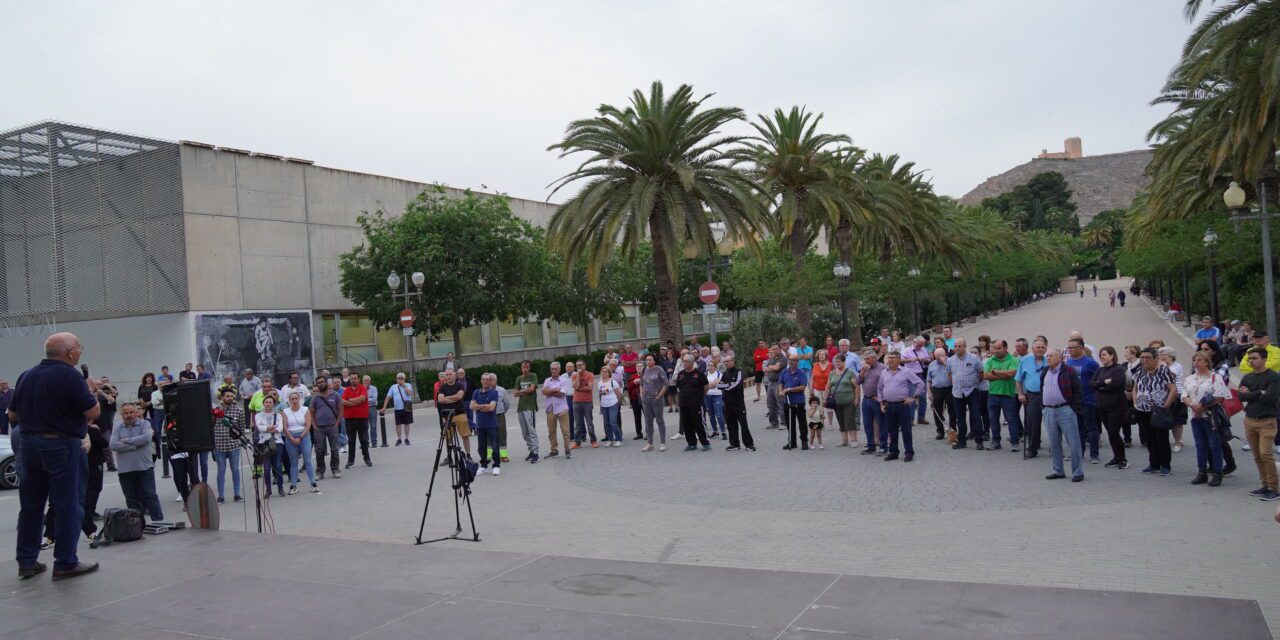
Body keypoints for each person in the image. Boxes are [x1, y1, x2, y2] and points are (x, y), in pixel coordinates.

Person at [10, 333, 100, 580]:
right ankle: (65, 562)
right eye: (79, 348)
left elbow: (11, 414)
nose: (80, 352)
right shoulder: (69, 375)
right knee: (68, 504)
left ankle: (27, 561)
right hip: (61, 444)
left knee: (31, 506)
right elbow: (93, 410)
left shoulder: (27, 375)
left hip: (28, 444)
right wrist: (89, 391)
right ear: (70, 352)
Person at [1182, 351, 1231, 487]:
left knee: (1214, 444)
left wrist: (1202, 407)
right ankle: (1202, 472)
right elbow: (1184, 394)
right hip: (1195, 416)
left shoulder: (1215, 377)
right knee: (1200, 445)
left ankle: (1217, 473)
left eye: (1199, 360)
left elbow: (1219, 396)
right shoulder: (1190, 378)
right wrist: (1192, 405)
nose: (1196, 363)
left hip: (1210, 416)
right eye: (1194, 360)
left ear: (1207, 362)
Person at [111, 402, 164, 522]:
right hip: (125, 471)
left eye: (131, 412)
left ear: (136, 413)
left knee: (150, 496)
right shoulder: (118, 427)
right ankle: (137, 526)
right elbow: (113, 445)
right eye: (126, 413)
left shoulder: (145, 424)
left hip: (144, 468)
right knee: (131, 500)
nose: (129, 415)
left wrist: (127, 441)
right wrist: (134, 446)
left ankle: (159, 522)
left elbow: (146, 438)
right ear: (121, 414)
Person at [1240, 347, 1280, 500]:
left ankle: (1274, 488)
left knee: (1265, 453)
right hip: (1250, 419)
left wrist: (1250, 393)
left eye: (1255, 358)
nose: (1251, 361)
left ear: (1264, 359)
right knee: (1257, 455)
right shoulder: (1247, 377)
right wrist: (1258, 393)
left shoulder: (1273, 377)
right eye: (1250, 359)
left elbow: (1270, 397)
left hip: (1267, 421)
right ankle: (1264, 484)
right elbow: (1241, 397)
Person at [1130, 348, 1178, 476]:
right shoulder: (1140, 371)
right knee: (1149, 438)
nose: (1144, 360)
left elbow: (1173, 389)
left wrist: (1166, 404)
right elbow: (1135, 388)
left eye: (1148, 357)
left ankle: (1165, 465)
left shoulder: (1163, 371)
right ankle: (1154, 464)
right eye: (1142, 358)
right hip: (1142, 409)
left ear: (1156, 358)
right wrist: (1135, 403)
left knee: (1161, 438)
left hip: (1158, 409)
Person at [1040, 349, 1085, 482]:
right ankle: (1058, 470)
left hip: (1065, 409)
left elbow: (1077, 390)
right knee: (1054, 443)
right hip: (1049, 410)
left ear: (1060, 358)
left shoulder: (1069, 371)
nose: (1048, 358)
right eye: (1047, 356)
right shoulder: (1044, 371)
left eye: (1051, 356)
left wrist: (1074, 408)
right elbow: (1041, 388)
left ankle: (1077, 472)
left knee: (1073, 442)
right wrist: (1043, 408)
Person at [1090, 347, 1130, 470]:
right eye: (1101, 355)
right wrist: (1104, 383)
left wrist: (1100, 385)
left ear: (1112, 356)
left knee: (1113, 432)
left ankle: (1122, 458)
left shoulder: (1119, 369)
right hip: (1103, 406)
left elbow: (1115, 384)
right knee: (1111, 434)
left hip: (1117, 407)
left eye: (1105, 354)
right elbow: (1092, 384)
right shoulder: (1100, 370)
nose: (1102, 357)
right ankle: (1116, 457)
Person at [1065, 338, 1101, 463]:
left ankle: (1094, 454)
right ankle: (1079, 453)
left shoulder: (1090, 363)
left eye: (1073, 347)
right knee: (1078, 428)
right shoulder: (1068, 362)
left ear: (1081, 348)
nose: (1070, 350)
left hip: (1088, 400)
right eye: (1069, 347)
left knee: (1091, 427)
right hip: (1074, 401)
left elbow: (1098, 380)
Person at [983, 339, 1022, 452]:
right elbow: (985, 375)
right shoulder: (990, 360)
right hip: (992, 394)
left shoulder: (1013, 360)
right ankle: (996, 441)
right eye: (995, 348)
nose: (996, 350)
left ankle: (1015, 442)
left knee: (1011, 419)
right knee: (993, 419)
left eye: (999, 348)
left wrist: (995, 372)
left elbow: (1011, 374)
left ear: (1005, 348)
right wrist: (1003, 375)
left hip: (1008, 395)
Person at [1015, 338, 1049, 458]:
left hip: (1049, 395)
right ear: (1033, 349)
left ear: (1046, 348)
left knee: (1052, 421)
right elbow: (1018, 380)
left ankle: (1054, 447)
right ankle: (1033, 448)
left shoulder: (1050, 360)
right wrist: (1020, 394)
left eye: (1042, 347)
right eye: (1038, 347)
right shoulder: (1025, 360)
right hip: (1033, 395)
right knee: (1033, 423)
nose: (1040, 349)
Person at [281, 391, 318, 495]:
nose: (294, 400)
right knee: (293, 462)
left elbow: (308, 425)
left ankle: (313, 483)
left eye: (296, 398)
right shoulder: (285, 411)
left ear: (299, 399)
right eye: (292, 399)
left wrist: (301, 437)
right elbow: (285, 427)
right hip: (291, 436)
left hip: (304, 436)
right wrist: (292, 438)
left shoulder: (305, 410)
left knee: (307, 461)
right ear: (289, 401)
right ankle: (293, 485)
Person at [212, 389, 245, 502]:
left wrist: (241, 440)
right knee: (221, 470)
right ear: (222, 397)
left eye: (232, 396)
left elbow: (241, 427)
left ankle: (237, 494)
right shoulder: (214, 411)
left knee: (235, 469)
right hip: (219, 445)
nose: (230, 398)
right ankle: (221, 496)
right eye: (227, 396)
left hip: (234, 445)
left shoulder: (239, 411)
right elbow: (210, 427)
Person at [309, 376, 343, 479]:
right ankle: (320, 471)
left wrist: (337, 424)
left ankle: (335, 469)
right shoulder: (315, 397)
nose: (320, 384)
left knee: (334, 449)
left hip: (332, 427)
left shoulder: (335, 395)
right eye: (318, 382)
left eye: (322, 382)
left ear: (327, 383)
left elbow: (341, 410)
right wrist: (314, 426)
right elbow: (311, 413)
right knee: (320, 450)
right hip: (319, 429)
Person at [675, 355, 711, 451]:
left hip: (696, 404)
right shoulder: (681, 374)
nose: (684, 363)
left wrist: (698, 396)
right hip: (683, 404)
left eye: (686, 361)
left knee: (699, 423)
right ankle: (691, 444)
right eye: (683, 361)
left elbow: (706, 387)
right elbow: (678, 387)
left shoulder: (699, 374)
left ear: (691, 362)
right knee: (687, 424)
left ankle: (705, 443)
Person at [719, 354, 753, 451]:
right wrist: (728, 385)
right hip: (727, 403)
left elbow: (737, 385)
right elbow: (719, 386)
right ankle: (734, 444)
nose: (727, 363)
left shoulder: (739, 372)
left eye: (729, 361)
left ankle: (749, 444)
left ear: (733, 362)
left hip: (738, 403)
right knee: (731, 424)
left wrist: (726, 386)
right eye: (725, 361)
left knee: (743, 424)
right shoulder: (725, 374)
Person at [254, 395, 286, 497]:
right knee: (267, 468)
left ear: (273, 404)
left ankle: (280, 488)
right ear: (263, 403)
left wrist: (267, 428)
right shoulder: (258, 415)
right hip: (264, 443)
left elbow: (280, 428)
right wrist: (271, 427)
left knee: (277, 466)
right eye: (266, 402)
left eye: (270, 402)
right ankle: (268, 490)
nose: (268, 404)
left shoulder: (278, 415)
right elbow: (260, 428)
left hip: (277, 442)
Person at [471, 373, 503, 475]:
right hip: (480, 425)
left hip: (491, 425)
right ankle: (483, 465)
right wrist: (485, 406)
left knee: (494, 446)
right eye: (483, 379)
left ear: (490, 382)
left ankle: (496, 465)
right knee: (481, 447)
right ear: (481, 381)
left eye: (487, 380)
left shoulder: (494, 393)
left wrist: (478, 406)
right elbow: (472, 407)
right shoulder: (476, 392)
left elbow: (492, 408)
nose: (485, 381)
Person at [1158, 347, 1188, 453]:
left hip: (1177, 395)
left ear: (1171, 356)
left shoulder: (1177, 366)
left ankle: (1178, 442)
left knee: (1177, 421)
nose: (1162, 357)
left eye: (1164, 355)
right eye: (1160, 355)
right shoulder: (1162, 366)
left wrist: (1162, 366)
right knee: (1165, 420)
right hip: (1165, 395)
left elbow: (1170, 376)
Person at [779, 354, 810, 451]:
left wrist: (790, 390)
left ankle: (804, 441)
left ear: (797, 362)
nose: (791, 361)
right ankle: (792, 442)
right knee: (789, 423)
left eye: (793, 360)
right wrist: (780, 391)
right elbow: (781, 383)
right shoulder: (784, 372)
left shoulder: (801, 373)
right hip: (787, 401)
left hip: (799, 401)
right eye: (790, 359)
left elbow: (803, 387)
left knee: (802, 423)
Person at [341, 373, 373, 469]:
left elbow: (362, 399)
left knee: (363, 440)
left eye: (355, 378)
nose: (353, 380)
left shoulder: (362, 388)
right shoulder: (346, 390)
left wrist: (350, 400)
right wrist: (356, 401)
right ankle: (351, 461)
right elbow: (343, 402)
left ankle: (367, 459)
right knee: (351, 441)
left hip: (362, 418)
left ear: (358, 379)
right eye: (351, 379)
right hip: (349, 419)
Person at [828, 354, 859, 446]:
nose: (836, 363)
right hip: (836, 401)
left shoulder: (850, 372)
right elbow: (828, 386)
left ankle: (854, 440)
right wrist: (826, 398)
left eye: (838, 361)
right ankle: (844, 440)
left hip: (849, 401)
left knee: (850, 420)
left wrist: (857, 398)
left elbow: (856, 386)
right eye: (835, 361)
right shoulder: (832, 373)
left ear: (844, 362)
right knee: (841, 421)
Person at [640, 354, 670, 452]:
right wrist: (641, 394)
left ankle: (662, 443)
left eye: (650, 359)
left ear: (654, 361)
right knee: (648, 421)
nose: (648, 361)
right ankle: (650, 443)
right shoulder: (644, 369)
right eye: (647, 359)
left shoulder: (659, 369)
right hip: (646, 400)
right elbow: (641, 383)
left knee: (659, 420)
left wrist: (660, 396)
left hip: (657, 399)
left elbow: (666, 384)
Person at [542, 363, 571, 459]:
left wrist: (549, 392)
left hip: (562, 409)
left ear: (559, 370)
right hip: (550, 408)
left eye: (555, 369)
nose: (553, 370)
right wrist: (555, 390)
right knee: (551, 432)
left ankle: (567, 450)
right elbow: (543, 392)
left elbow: (562, 394)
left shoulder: (564, 380)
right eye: (552, 369)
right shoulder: (547, 380)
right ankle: (554, 451)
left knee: (565, 431)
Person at [513, 361, 540, 462]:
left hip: (530, 407)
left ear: (529, 368)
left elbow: (531, 389)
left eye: (527, 367)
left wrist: (521, 391)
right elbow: (515, 394)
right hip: (521, 407)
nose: (525, 369)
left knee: (531, 430)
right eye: (523, 367)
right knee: (524, 432)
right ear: (521, 367)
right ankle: (531, 450)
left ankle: (536, 453)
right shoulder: (519, 378)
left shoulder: (533, 376)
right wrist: (524, 391)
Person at [902, 337, 932, 425]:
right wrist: (910, 360)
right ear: (914, 342)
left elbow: (928, 360)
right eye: (919, 344)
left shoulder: (923, 350)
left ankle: (921, 418)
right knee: (912, 397)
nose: (920, 346)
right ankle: (910, 419)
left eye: (922, 344)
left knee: (923, 398)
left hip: (921, 375)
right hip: (911, 376)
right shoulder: (906, 350)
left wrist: (925, 360)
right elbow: (900, 360)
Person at [379, 373, 414, 448]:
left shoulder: (408, 385)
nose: (400, 380)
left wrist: (404, 386)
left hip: (407, 407)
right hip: (397, 408)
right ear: (396, 379)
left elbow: (409, 393)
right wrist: (384, 407)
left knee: (406, 423)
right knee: (398, 424)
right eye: (398, 378)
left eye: (401, 378)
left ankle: (406, 438)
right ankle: (399, 439)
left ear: (404, 379)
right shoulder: (393, 387)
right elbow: (388, 397)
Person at [927, 348, 955, 440]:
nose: (939, 358)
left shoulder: (950, 362)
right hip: (937, 389)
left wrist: (945, 363)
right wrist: (929, 392)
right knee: (937, 411)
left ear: (945, 355)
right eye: (937, 356)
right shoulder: (932, 365)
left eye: (941, 356)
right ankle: (940, 431)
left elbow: (954, 373)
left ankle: (953, 429)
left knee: (952, 410)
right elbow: (928, 379)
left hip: (949, 388)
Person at [571, 361, 597, 448]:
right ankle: (577, 443)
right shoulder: (574, 375)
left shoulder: (589, 375)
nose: (579, 366)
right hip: (576, 402)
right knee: (577, 424)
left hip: (587, 402)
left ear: (584, 365)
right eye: (577, 365)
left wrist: (578, 388)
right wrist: (578, 376)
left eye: (580, 365)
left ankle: (593, 441)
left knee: (589, 423)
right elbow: (576, 386)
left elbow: (589, 387)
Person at [598, 365, 623, 447]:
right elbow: (600, 395)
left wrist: (617, 403)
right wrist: (600, 405)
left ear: (609, 373)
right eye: (602, 371)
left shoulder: (613, 381)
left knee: (613, 422)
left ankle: (619, 439)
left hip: (613, 404)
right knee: (607, 423)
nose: (604, 373)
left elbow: (618, 393)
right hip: (604, 405)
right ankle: (610, 439)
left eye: (606, 371)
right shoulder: (599, 383)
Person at [762, 345, 786, 429]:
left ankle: (784, 423)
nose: (775, 350)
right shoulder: (772, 359)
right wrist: (772, 367)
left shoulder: (783, 359)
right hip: (770, 383)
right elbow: (764, 369)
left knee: (781, 404)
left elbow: (777, 368)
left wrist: (771, 367)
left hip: (779, 383)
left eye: (776, 349)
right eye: (773, 349)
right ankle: (774, 423)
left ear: (780, 349)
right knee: (770, 404)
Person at [704, 355, 726, 440]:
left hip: (717, 395)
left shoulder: (719, 374)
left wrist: (709, 385)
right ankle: (715, 431)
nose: (710, 367)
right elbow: (705, 386)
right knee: (711, 415)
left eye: (712, 366)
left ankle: (723, 432)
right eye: (709, 366)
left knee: (719, 414)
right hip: (707, 396)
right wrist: (709, 385)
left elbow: (714, 384)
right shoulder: (705, 374)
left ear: (715, 367)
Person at [810, 350, 833, 429]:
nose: (821, 356)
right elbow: (812, 378)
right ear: (818, 357)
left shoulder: (830, 365)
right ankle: (822, 423)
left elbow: (833, 377)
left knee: (829, 406)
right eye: (820, 355)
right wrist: (811, 389)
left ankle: (830, 424)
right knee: (819, 406)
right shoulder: (815, 365)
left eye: (823, 354)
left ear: (826, 356)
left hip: (828, 388)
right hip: (817, 388)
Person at [627, 363, 644, 440]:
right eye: (637, 366)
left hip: (644, 399)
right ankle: (639, 433)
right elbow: (629, 387)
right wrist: (634, 382)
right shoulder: (633, 376)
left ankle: (649, 432)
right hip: (634, 399)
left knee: (647, 416)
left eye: (640, 366)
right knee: (637, 417)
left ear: (643, 367)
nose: (639, 368)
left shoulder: (646, 375)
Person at [363, 375, 380, 447]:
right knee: (364, 426)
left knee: (373, 426)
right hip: (363, 408)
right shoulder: (360, 388)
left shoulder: (374, 388)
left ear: (370, 381)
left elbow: (374, 399)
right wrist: (368, 398)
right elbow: (359, 399)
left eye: (367, 380)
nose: (366, 382)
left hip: (372, 408)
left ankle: (374, 442)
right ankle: (365, 442)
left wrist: (364, 399)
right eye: (364, 380)